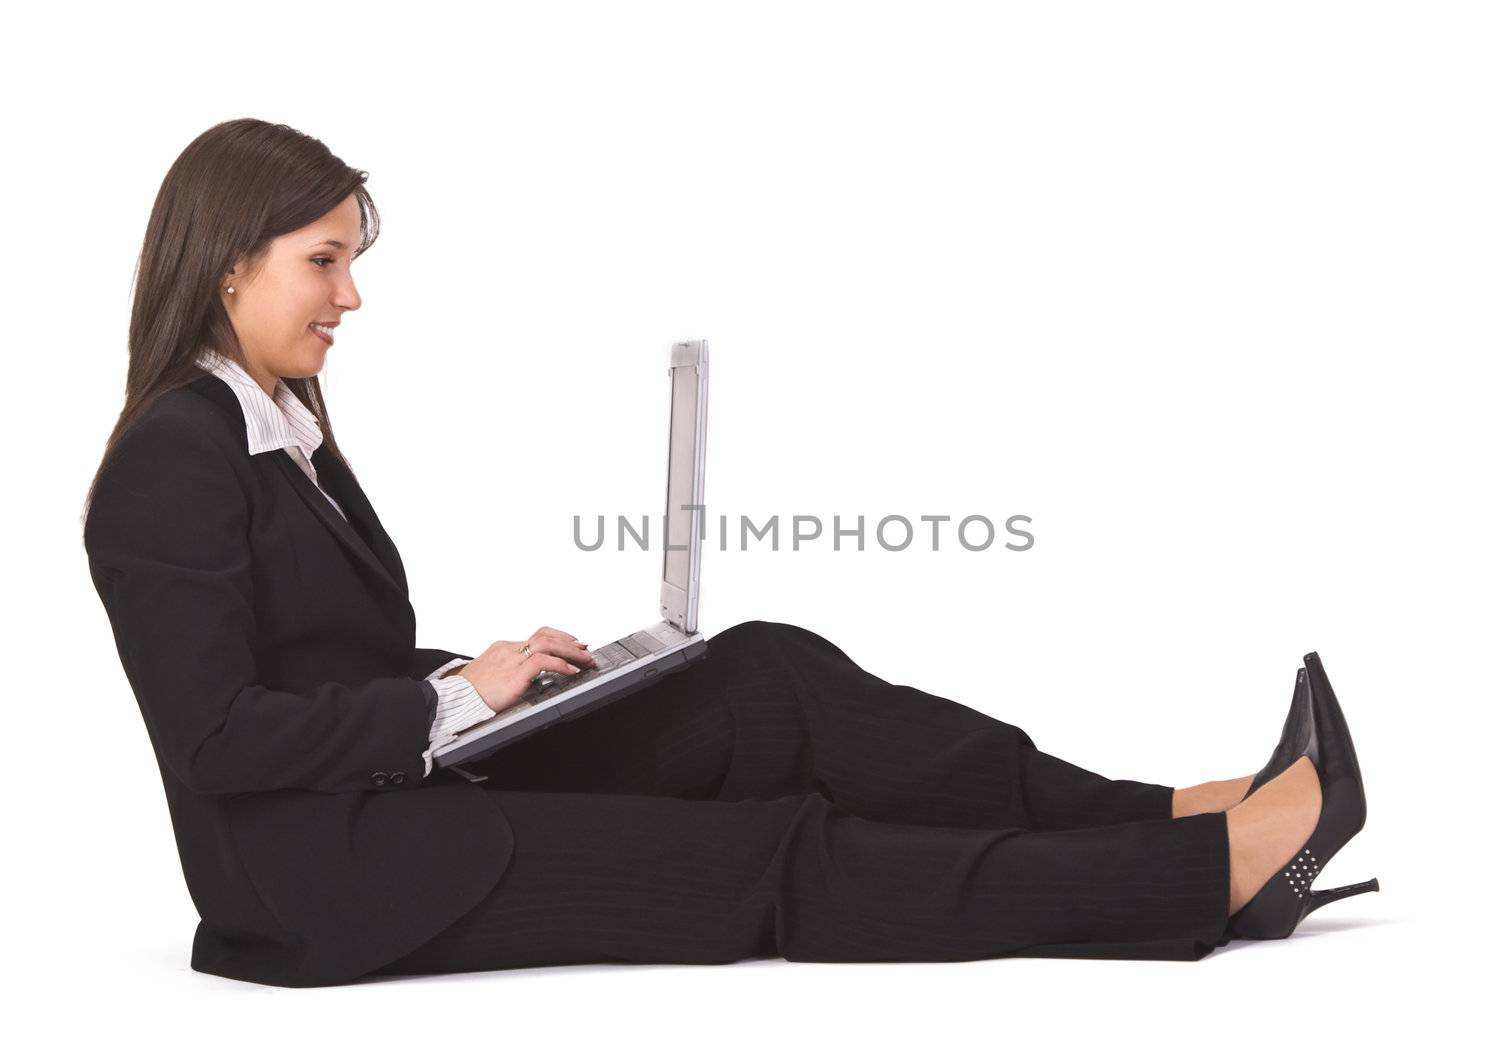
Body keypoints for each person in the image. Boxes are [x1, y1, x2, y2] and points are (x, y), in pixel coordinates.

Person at [81, 118, 1379, 989]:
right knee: (776, 854)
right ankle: (1217, 874)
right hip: (339, 883)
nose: (351, 297)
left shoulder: (276, 428)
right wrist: (444, 702)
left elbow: (320, 664)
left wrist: (494, 679)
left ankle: (1168, 809)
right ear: (227, 267)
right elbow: (217, 740)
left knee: (765, 680)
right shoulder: (174, 458)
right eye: (324, 263)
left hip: (403, 787)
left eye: (352, 263)